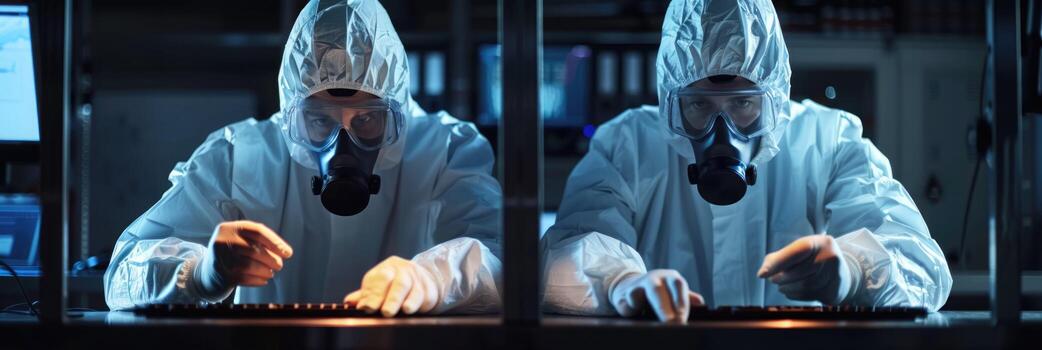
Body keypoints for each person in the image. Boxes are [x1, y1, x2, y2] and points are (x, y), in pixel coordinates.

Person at [540, 0, 952, 323]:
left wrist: (856, 269)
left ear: (773, 98)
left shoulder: (829, 140)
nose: (723, 130)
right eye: (698, 105)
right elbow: (565, 255)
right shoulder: (626, 145)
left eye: (743, 104)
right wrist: (619, 281)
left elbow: (923, 266)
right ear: (670, 104)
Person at [104, 0, 503, 317]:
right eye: (318, 121)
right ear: (291, 113)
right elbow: (123, 273)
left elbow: (502, 260)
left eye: (366, 120)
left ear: (397, 112)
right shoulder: (239, 157)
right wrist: (201, 272)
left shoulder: (446, 150)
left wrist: (430, 278)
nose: (341, 145)